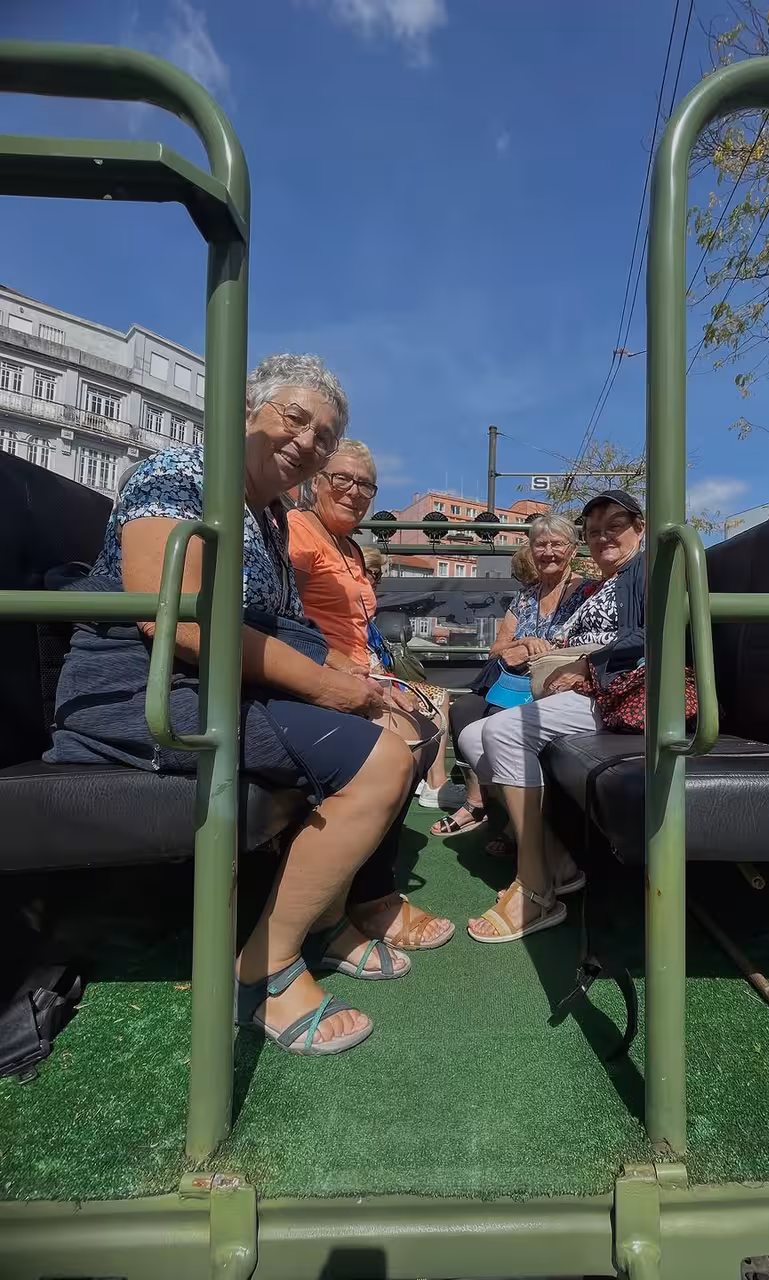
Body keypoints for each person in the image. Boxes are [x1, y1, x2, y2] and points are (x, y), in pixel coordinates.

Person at [45, 353, 442, 1056]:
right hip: (143, 692)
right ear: (246, 412)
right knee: (380, 761)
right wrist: (325, 685)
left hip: (217, 685)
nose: (308, 442)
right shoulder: (178, 476)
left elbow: (280, 629)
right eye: (296, 419)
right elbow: (178, 622)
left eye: (323, 436)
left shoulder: (271, 518)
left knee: (398, 724)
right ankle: (263, 971)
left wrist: (351, 672)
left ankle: (328, 918)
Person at [286, 444, 457, 946]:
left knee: (428, 725)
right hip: (316, 674)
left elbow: (359, 629)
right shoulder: (300, 532)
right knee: (402, 743)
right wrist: (359, 680)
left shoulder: (351, 548)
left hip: (361, 670)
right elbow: (286, 619)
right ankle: (371, 895)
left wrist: (381, 675)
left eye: (366, 485)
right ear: (315, 479)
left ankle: (363, 873)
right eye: (343, 479)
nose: (354, 492)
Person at [457, 491, 646, 943]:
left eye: (614, 526)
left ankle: (536, 889)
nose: (603, 537)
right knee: (471, 736)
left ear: (640, 528)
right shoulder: (604, 582)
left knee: (502, 731)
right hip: (573, 689)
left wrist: (586, 665)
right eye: (594, 530)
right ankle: (557, 859)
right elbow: (502, 647)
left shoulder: (645, 571)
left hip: (613, 695)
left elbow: (654, 631)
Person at [433, 512, 586, 839]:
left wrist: (550, 650)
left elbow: (590, 643)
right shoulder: (527, 595)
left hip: (555, 684)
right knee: (463, 710)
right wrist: (522, 643)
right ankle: (490, 807)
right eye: (540, 545)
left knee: (498, 720)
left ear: (573, 550)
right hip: (515, 684)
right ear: (531, 551)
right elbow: (495, 650)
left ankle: (500, 816)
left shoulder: (585, 591)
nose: (548, 552)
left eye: (557, 544)